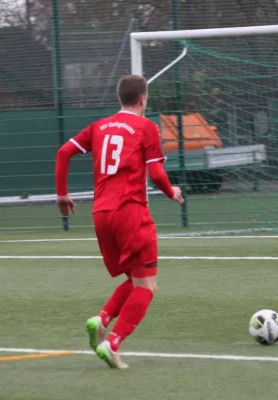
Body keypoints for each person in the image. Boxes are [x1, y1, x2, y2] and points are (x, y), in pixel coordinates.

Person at [55, 74, 184, 369]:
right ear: (143, 99)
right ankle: (112, 344)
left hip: (101, 214)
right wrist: (171, 191)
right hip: (130, 212)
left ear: (120, 98)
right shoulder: (147, 127)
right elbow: (157, 175)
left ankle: (100, 320)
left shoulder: (99, 126)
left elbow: (64, 152)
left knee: (134, 279)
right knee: (147, 286)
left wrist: (62, 194)